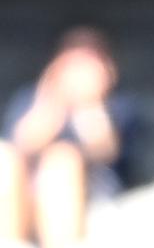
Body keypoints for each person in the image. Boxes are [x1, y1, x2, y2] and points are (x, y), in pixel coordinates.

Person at [0, 27, 137, 248]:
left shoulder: (120, 106)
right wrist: (52, 98)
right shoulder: (31, 98)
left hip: (92, 187)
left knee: (62, 160)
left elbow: (106, 151)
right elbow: (21, 144)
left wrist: (90, 103)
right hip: (29, 187)